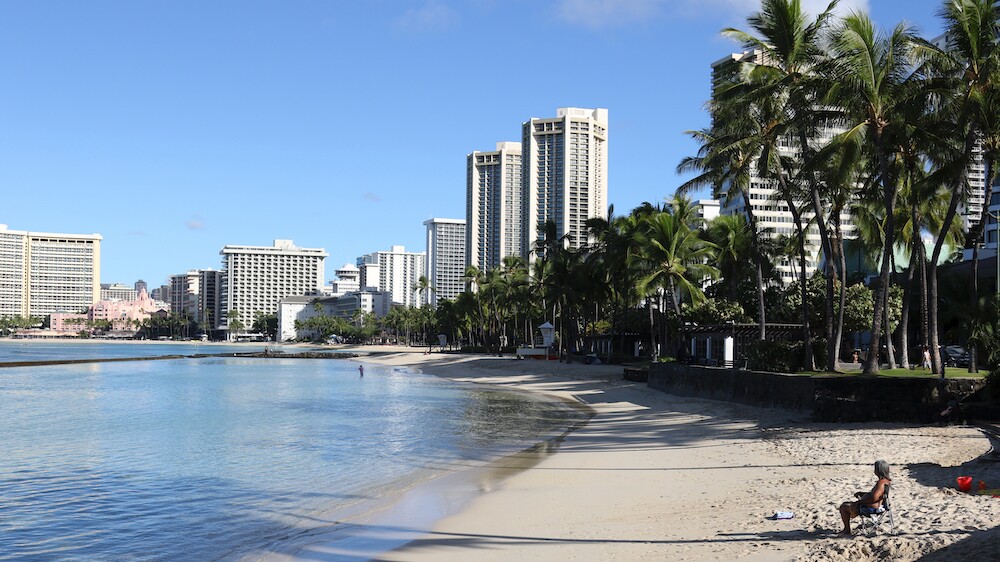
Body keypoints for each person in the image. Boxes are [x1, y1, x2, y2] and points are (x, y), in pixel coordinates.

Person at [838, 460, 892, 535]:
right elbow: (877, 495)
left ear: (878, 470)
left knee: (844, 507)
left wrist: (859, 502)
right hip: (878, 506)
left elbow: (874, 498)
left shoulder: (881, 483)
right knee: (848, 504)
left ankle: (847, 530)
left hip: (871, 508)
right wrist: (863, 494)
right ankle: (851, 518)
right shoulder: (887, 481)